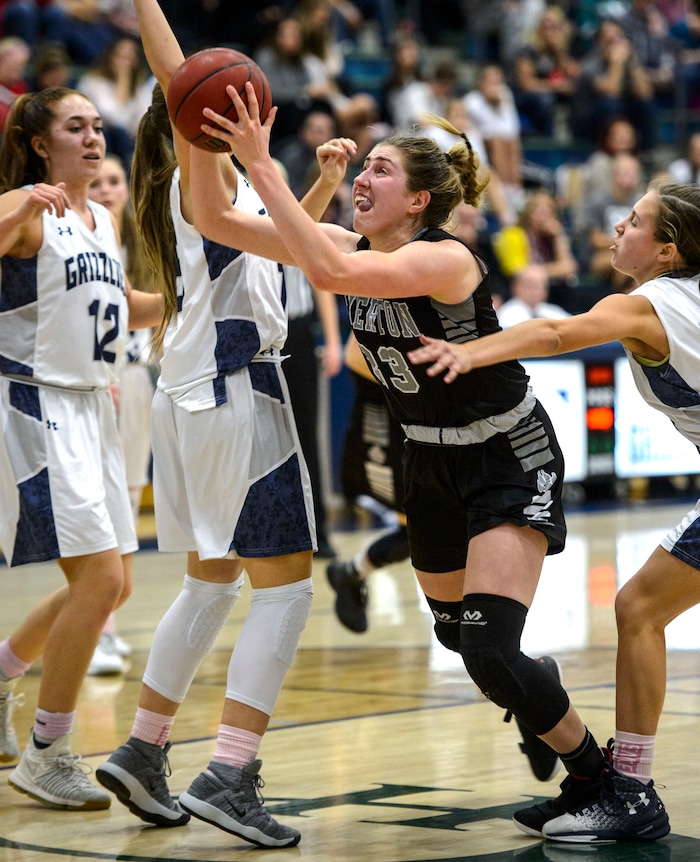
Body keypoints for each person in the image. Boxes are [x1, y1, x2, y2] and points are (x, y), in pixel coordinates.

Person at [188, 95, 630, 843]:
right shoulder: (355, 249)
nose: (362, 176)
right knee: (467, 643)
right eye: (363, 166)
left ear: (419, 200)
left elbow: (324, 269)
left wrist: (263, 162)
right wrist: (199, 133)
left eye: (380, 170)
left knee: (489, 646)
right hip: (426, 459)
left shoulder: (446, 257)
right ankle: (536, 688)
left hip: (506, 456)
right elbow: (217, 222)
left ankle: (602, 777)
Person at [94, 0, 354, 848]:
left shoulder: (197, 188)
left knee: (211, 584)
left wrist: (311, 183)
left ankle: (142, 747)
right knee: (285, 590)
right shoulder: (199, 174)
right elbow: (180, 73)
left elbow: (277, 243)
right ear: (192, 122)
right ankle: (231, 774)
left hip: (193, 395)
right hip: (240, 393)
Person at [408, 177, 700, 842]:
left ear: (668, 250)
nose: (616, 228)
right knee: (640, 609)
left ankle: (630, 792)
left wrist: (470, 350)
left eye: (633, 221)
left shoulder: (650, 304)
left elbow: (554, 332)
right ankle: (623, 787)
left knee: (639, 609)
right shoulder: (679, 295)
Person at [0, 86, 162, 807]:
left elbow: (126, 305)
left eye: (99, 126)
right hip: (36, 402)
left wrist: (196, 293)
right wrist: (23, 201)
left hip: (94, 406)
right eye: (76, 127)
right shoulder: (27, 212)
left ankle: (2, 674)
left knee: (112, 583)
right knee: (98, 581)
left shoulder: (98, 216)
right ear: (40, 143)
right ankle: (48, 751)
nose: (94, 137)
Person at [86, 152, 155, 675]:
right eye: (98, 181)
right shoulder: (72, 245)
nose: (107, 189)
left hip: (136, 382)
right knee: (100, 508)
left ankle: (103, 621)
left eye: (115, 181)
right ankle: (99, 628)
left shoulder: (143, 248)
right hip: (89, 385)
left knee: (127, 500)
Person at [326, 332, 409, 633]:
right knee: (424, 530)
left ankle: (351, 572)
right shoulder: (385, 296)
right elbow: (354, 356)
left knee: (425, 532)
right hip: (388, 420)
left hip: (426, 419)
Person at [77, 36, 154, 168]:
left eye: (130, 58)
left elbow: (146, 117)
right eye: (121, 57)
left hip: (128, 139)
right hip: (100, 136)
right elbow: (116, 119)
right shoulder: (94, 83)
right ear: (110, 57)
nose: (125, 63)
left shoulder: (137, 88)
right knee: (118, 133)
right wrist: (123, 81)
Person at [497, 264, 570, 327]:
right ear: (515, 287)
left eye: (540, 285)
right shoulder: (507, 315)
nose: (535, 290)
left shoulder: (553, 311)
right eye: (530, 285)